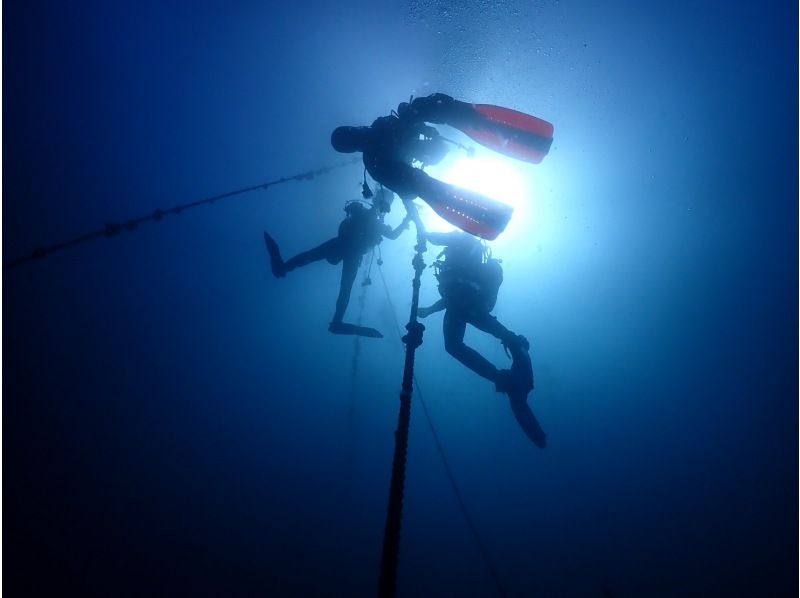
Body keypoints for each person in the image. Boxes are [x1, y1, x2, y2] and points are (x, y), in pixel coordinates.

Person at [330, 93, 553, 241]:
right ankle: (526, 142)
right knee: (422, 184)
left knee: (422, 110)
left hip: (424, 149)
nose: (356, 134)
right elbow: (406, 185)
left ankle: (493, 216)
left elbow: (406, 185)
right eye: (352, 136)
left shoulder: (375, 152)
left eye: (352, 132)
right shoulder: (374, 158)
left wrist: (414, 116)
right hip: (422, 156)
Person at [418, 230, 546, 447]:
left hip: (465, 302)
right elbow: (452, 295)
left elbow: (434, 238)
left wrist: (420, 228)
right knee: (456, 344)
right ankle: (514, 353)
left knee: (455, 345)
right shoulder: (465, 251)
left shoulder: (461, 238)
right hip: (465, 303)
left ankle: (508, 367)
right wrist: (429, 310)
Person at [264, 188, 411, 338]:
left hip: (347, 249)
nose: (383, 204)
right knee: (338, 281)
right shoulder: (368, 216)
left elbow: (391, 235)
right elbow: (392, 235)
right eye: (383, 200)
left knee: (317, 260)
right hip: (348, 249)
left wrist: (405, 221)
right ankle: (336, 321)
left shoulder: (372, 219)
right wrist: (407, 220)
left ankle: (283, 269)